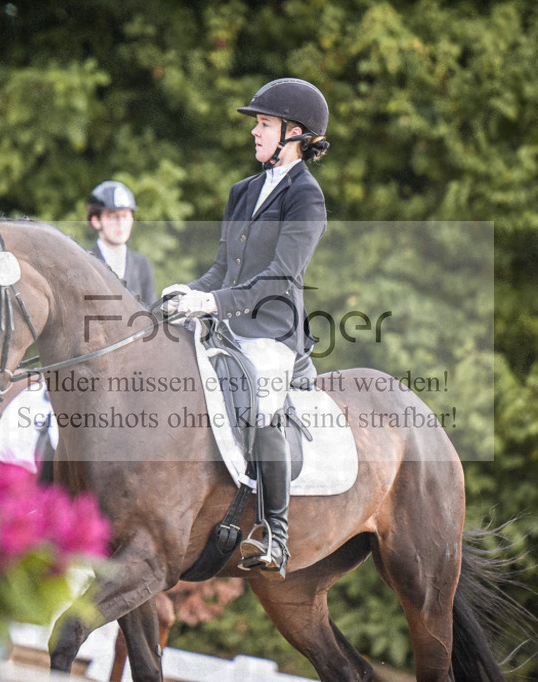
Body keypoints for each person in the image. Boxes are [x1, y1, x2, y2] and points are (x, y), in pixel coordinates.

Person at [162, 78, 330, 580]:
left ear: (293, 134)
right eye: (256, 124)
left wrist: (213, 302)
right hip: (225, 323)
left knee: (261, 399)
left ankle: (274, 533)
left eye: (263, 124)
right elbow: (221, 270)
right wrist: (184, 295)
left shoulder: (307, 199)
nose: (254, 133)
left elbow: (280, 276)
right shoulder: (243, 191)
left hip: (271, 333)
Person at [87, 180, 157, 306]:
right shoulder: (85, 262)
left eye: (125, 216)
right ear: (96, 221)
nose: (120, 223)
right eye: (112, 216)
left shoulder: (142, 265)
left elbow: (152, 315)